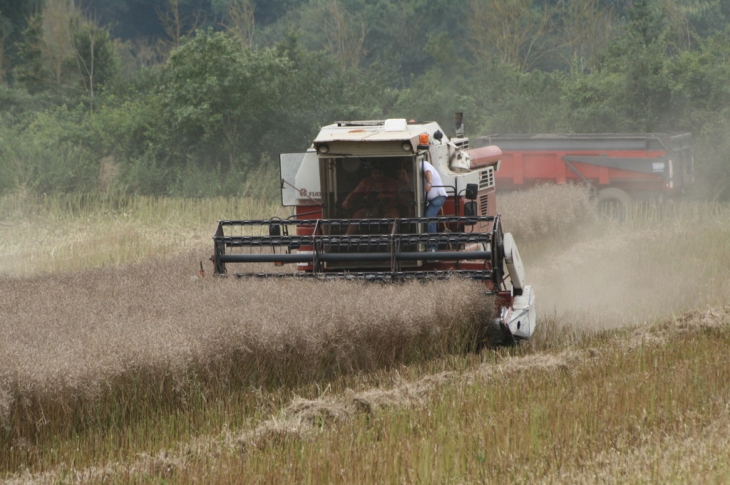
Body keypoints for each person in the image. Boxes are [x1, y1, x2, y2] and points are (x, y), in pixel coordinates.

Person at [342, 166, 399, 234]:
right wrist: (347, 200)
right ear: (371, 173)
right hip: (369, 208)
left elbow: (395, 195)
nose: (378, 175)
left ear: (384, 173)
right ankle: (347, 238)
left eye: (380, 173)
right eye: (375, 173)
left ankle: (392, 239)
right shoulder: (366, 182)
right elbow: (354, 193)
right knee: (357, 215)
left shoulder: (390, 182)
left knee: (394, 216)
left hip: (386, 207)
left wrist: (384, 195)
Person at [422, 160, 448, 251]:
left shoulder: (422, 164)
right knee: (422, 218)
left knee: (429, 217)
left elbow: (428, 172)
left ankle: (432, 247)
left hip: (438, 197)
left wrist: (429, 183)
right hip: (426, 200)